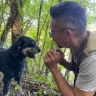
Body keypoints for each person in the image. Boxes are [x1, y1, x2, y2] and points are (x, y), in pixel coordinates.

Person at [43, 1, 96, 96]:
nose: (51, 36)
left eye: (52, 32)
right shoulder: (78, 41)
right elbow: (77, 67)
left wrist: (53, 68)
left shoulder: (92, 58)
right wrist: (62, 61)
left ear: (67, 34)